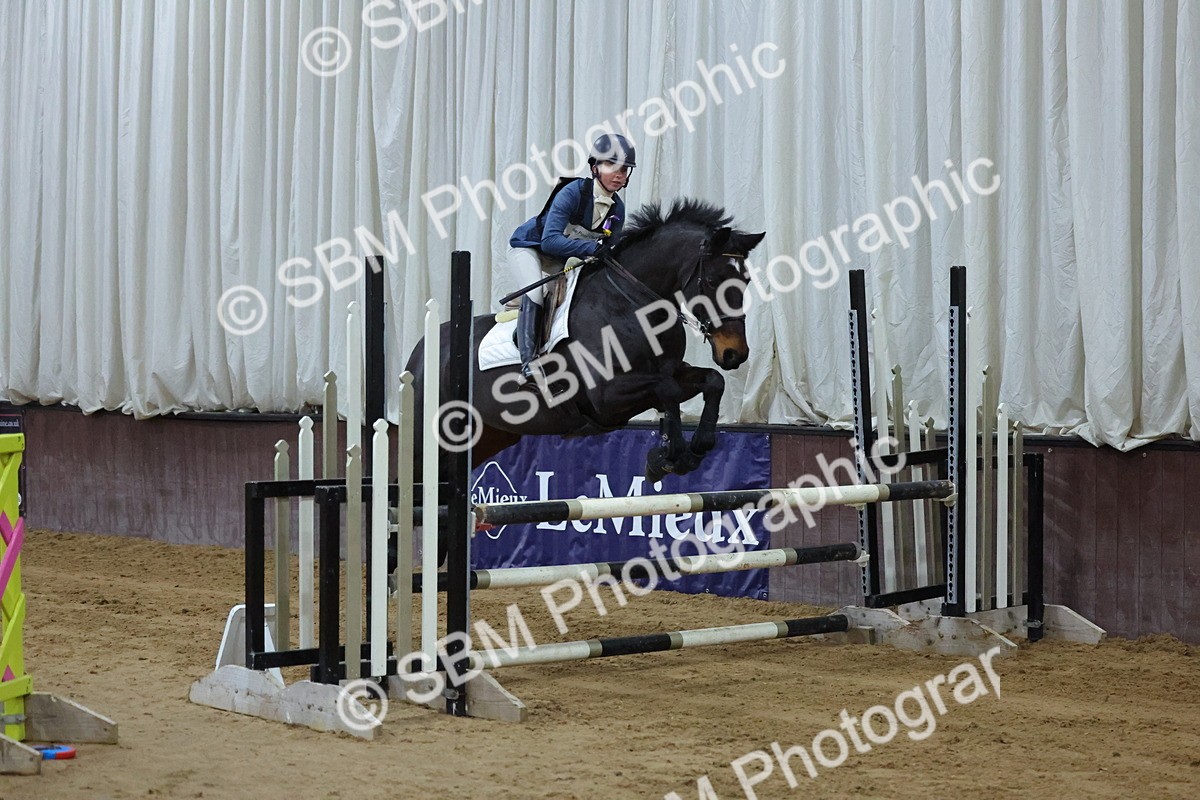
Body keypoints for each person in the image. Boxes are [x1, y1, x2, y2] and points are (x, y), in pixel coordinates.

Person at [506, 133, 636, 381]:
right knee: (536, 294)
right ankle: (528, 363)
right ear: (595, 167)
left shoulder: (617, 208)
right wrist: (591, 249)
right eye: (612, 166)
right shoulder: (573, 192)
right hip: (531, 249)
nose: (619, 175)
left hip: (563, 258)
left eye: (625, 169)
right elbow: (550, 241)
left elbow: (609, 250)